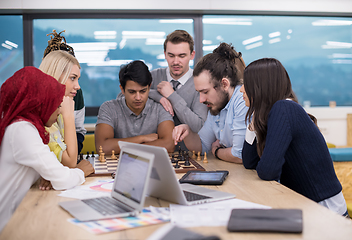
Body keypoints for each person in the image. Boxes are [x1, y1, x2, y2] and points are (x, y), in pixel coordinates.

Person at [240, 58, 348, 216]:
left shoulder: (284, 108)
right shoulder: (277, 111)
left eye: (246, 83)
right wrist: (253, 125)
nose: (242, 89)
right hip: (307, 204)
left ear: (260, 86)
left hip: (326, 210)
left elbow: (267, 171)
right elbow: (249, 163)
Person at [0, 67, 94, 232]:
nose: (59, 112)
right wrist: (81, 170)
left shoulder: (25, 127)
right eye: (56, 105)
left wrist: (45, 174)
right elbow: (63, 178)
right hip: (7, 226)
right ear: (40, 102)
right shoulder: (22, 130)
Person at [173, 43, 248, 163]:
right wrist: (187, 132)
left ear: (224, 84)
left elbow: (239, 155)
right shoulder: (217, 106)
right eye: (199, 93)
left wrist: (217, 152)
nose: (201, 100)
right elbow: (203, 147)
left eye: (205, 92)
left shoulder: (242, 100)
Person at [95, 60, 175, 154]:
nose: (138, 98)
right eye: (132, 92)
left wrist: (127, 147)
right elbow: (102, 147)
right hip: (117, 168)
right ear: (122, 89)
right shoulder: (108, 108)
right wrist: (141, 138)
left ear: (149, 87)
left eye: (143, 91)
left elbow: (169, 144)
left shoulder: (160, 108)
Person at [149, 30, 208, 150]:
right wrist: (157, 96)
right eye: (171, 56)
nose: (176, 62)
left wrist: (172, 95)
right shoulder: (153, 76)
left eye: (182, 56)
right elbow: (123, 98)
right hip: (154, 150)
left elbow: (198, 126)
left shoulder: (200, 82)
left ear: (192, 55)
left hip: (189, 156)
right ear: (165, 54)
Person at [43, 30, 87, 154]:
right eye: (72, 78)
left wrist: (73, 152)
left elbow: (78, 131)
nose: (77, 87)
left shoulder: (73, 95)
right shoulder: (41, 108)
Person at [39, 50, 81, 169]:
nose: (78, 86)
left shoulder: (59, 112)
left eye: (78, 79)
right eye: (73, 78)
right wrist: (69, 116)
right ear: (55, 77)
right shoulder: (43, 117)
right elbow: (71, 162)